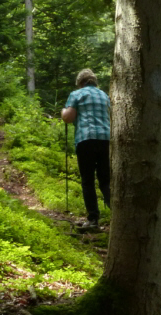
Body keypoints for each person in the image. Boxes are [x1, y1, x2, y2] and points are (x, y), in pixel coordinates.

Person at [61, 69, 111, 229]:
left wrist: (63, 111)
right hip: (106, 139)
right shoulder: (104, 96)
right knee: (106, 180)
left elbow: (68, 118)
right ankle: (118, 215)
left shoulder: (77, 94)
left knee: (88, 180)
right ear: (94, 82)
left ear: (80, 83)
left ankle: (93, 219)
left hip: (86, 139)